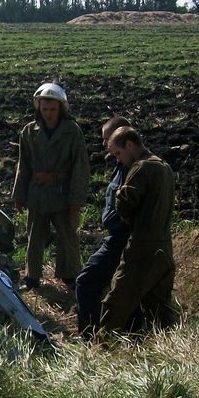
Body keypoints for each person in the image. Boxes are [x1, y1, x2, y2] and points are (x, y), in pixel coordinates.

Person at [98, 126, 180, 337]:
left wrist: (126, 215)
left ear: (130, 145)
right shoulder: (165, 168)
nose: (118, 159)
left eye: (118, 153)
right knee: (159, 308)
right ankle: (167, 348)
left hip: (142, 246)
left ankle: (103, 348)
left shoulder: (141, 168)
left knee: (116, 302)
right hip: (164, 246)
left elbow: (124, 204)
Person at [11, 82, 89, 291]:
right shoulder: (29, 131)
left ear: (61, 108)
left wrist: (76, 199)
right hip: (38, 194)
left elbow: (80, 167)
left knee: (67, 236)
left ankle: (70, 275)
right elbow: (23, 165)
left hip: (63, 193)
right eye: (44, 109)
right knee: (34, 236)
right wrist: (19, 194)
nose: (48, 114)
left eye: (53, 109)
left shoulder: (72, 131)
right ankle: (32, 277)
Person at [75, 115, 133, 341]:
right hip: (117, 235)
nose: (104, 145)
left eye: (106, 139)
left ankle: (90, 337)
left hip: (122, 238)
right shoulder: (121, 164)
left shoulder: (133, 168)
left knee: (86, 281)